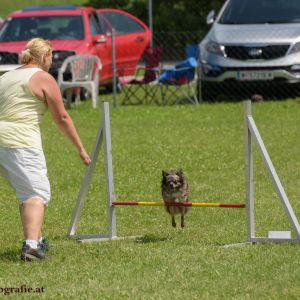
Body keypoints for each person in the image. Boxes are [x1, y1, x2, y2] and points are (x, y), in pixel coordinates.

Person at [0, 38, 91, 261]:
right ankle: (31, 247)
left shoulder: (6, 76)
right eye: (51, 56)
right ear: (44, 56)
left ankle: (37, 240)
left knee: (26, 191)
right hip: (20, 141)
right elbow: (61, 117)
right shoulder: (42, 77)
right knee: (35, 193)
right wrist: (80, 148)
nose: (52, 61)